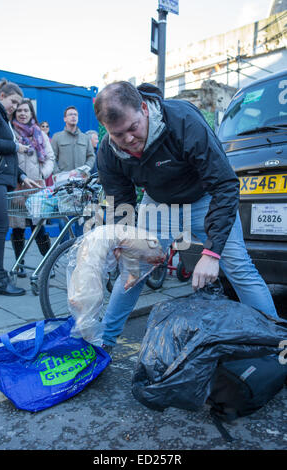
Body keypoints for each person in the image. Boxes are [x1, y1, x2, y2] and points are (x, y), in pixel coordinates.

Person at [93, 81, 278, 353]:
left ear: (144, 108)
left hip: (205, 198)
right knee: (132, 271)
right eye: (119, 134)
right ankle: (103, 342)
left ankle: (276, 340)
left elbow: (225, 186)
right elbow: (121, 199)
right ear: (108, 131)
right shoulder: (108, 151)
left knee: (239, 269)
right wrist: (124, 238)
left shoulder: (183, 121)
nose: (129, 140)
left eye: (133, 128)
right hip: (159, 205)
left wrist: (212, 254)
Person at [0, 79, 40, 296]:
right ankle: (0, 280)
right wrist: (16, 146)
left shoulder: (2, 118)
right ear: (2, 96)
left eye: (18, 103)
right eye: (13, 101)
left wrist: (22, 176)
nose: (15, 106)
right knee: (1, 226)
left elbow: (6, 155)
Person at [10, 99, 55, 277]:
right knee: (18, 227)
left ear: (31, 114)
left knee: (39, 227)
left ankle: (48, 264)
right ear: (15, 113)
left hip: (37, 186)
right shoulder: (11, 133)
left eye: (26, 111)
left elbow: (50, 157)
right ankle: (19, 263)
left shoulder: (40, 133)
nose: (22, 113)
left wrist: (43, 174)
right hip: (16, 185)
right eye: (19, 111)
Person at [51, 106, 95, 239]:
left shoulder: (85, 138)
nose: (73, 116)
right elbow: (52, 157)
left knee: (81, 218)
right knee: (63, 219)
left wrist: (85, 169)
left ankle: (79, 249)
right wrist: (58, 174)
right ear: (65, 118)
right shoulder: (57, 137)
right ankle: (63, 250)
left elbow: (91, 156)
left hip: (82, 184)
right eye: (70, 114)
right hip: (64, 185)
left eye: (75, 114)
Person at [40, 121, 54, 186]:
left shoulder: (52, 141)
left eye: (47, 126)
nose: (45, 128)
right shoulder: (37, 140)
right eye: (43, 126)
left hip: (50, 169)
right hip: (41, 169)